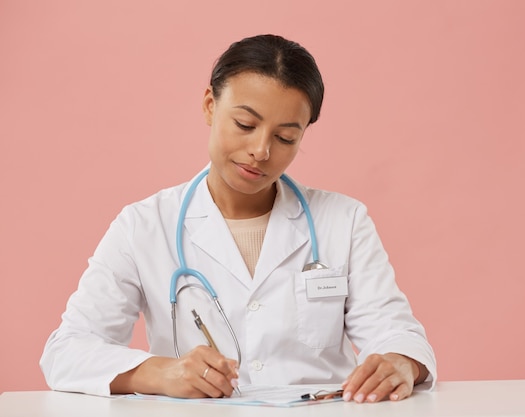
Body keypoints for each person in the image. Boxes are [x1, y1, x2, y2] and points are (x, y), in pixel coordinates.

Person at [40, 34, 437, 403]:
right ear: (210, 106)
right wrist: (159, 373)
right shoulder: (143, 226)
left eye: (285, 138)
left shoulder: (344, 220)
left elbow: (396, 332)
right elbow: (66, 351)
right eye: (245, 125)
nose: (261, 151)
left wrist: (402, 361)